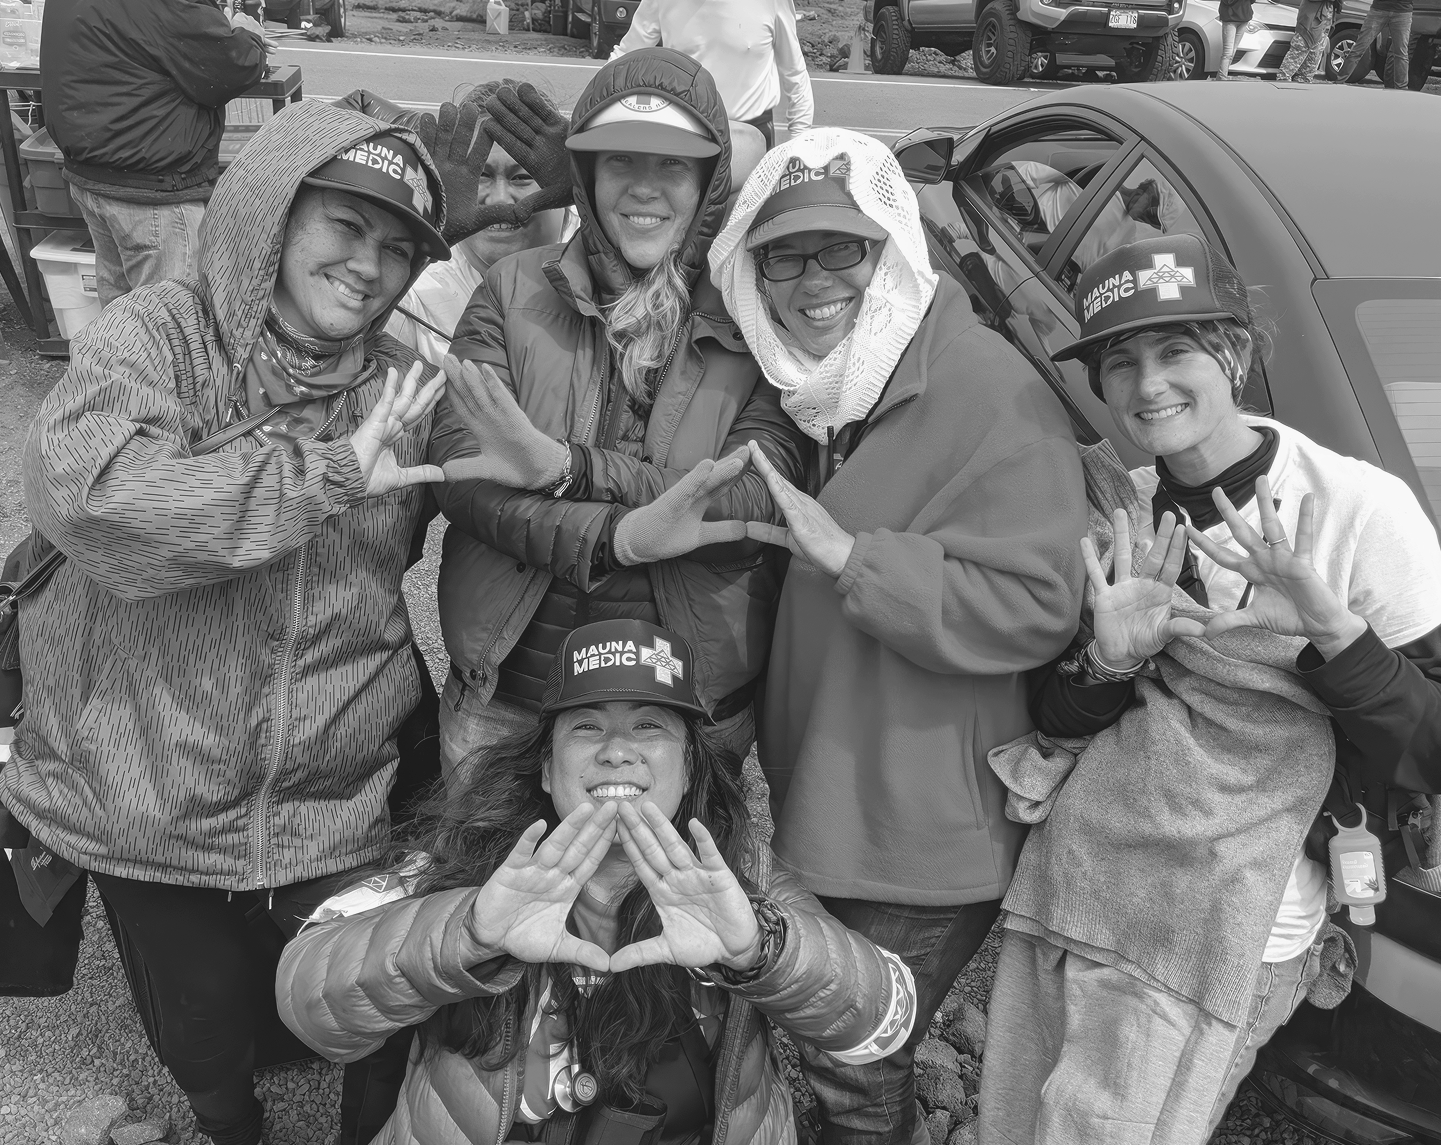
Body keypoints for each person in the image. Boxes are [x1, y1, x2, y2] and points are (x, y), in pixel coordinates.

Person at [0, 97, 560, 1145]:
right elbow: (88, 496)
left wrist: (558, 483)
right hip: (151, 786)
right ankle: (229, 1122)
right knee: (200, 1026)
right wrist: (330, 476)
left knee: (374, 1004)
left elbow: (520, 499)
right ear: (272, 214)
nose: (368, 266)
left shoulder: (406, 379)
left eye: (397, 248)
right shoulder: (158, 336)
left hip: (338, 787)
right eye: (343, 228)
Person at [977, 234, 1441, 1145]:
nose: (1148, 385)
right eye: (1121, 361)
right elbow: (1058, 719)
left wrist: (1333, 636)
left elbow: (1430, 751)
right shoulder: (1123, 509)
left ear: (1232, 354)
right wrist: (1105, 662)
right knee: (1019, 1111)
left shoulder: (1356, 509)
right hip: (1086, 881)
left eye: (1175, 350)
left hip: (1235, 912)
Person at [709, 130, 1088, 1144]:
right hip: (846, 797)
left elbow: (1035, 603)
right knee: (842, 1043)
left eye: (843, 249)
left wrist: (854, 559)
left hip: (923, 822)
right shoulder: (836, 387)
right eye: (781, 255)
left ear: (894, 249)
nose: (809, 280)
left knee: (852, 1053)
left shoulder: (981, 386)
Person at [276, 618, 918, 1145]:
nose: (617, 749)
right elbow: (307, 1004)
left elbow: (886, 1017)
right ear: (547, 772)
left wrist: (760, 953)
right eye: (586, 725)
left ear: (690, 770)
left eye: (649, 725)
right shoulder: (458, 863)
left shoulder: (740, 876)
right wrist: (464, 934)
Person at [428, 48, 807, 787]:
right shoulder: (510, 291)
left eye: (672, 167)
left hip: (687, 708)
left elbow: (754, 494)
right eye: (619, 162)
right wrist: (622, 536)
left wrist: (566, 467)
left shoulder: (755, 314)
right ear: (585, 178)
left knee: (669, 902)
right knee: (493, 896)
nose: (644, 189)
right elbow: (467, 477)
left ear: (709, 183)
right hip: (510, 698)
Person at [40, 0, 271, 306]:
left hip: (94, 172)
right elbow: (234, 64)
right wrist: (248, 31)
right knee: (171, 330)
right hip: (151, 187)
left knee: (122, 325)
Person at [386, 80, 573, 367]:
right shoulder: (415, 296)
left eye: (521, 177)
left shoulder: (611, 270)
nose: (499, 199)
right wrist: (416, 256)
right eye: (481, 176)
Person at [609, 0, 814, 147]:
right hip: (686, 132)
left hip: (752, 136)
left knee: (749, 207)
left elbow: (794, 72)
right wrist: (590, 106)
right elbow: (626, 57)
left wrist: (800, 143)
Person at [1337, 0, 1414, 87]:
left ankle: (1402, 88)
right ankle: (1339, 82)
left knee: (1401, 53)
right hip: (1380, 9)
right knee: (1359, 47)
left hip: (1402, 11)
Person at [1276, 0, 1338, 82]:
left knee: (1315, 54)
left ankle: (1304, 80)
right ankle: (1283, 80)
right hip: (1310, 19)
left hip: (1325, 19)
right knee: (1300, 49)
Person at [1215, 0, 1255, 79]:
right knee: (1228, 52)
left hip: (1243, 18)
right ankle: (1222, 78)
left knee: (1232, 51)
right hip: (1230, 18)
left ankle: (1221, 77)